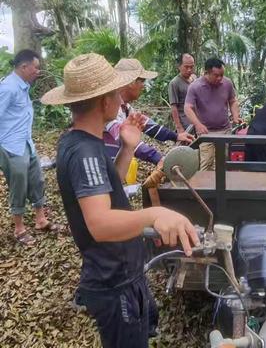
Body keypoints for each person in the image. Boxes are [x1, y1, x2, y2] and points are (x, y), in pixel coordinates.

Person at [41, 53, 199, 348]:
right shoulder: (84, 151)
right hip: (112, 280)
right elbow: (100, 223)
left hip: (124, 272)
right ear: (104, 101)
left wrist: (127, 148)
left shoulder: (85, 142)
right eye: (115, 92)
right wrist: (155, 215)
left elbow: (106, 191)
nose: (120, 97)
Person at [0, 49, 61, 246]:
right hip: (11, 146)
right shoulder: (8, 88)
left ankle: (40, 220)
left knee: (37, 180)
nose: (38, 71)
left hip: (26, 143)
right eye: (35, 67)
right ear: (24, 67)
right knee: (18, 185)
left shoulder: (23, 86)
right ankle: (19, 229)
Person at [103, 58, 194, 169]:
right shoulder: (110, 109)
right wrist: (158, 158)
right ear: (131, 82)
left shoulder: (125, 107)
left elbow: (149, 126)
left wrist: (176, 136)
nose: (143, 86)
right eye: (142, 81)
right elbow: (127, 141)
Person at [184, 58, 240, 171]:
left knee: (223, 162)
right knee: (206, 163)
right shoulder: (195, 87)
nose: (220, 78)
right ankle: (205, 188)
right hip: (206, 132)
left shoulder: (227, 83)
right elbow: (187, 108)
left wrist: (235, 116)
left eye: (222, 75)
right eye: (216, 75)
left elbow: (233, 101)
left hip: (224, 130)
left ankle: (222, 188)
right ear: (206, 73)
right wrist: (197, 124)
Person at [168, 53, 196, 132]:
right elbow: (174, 107)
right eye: (186, 67)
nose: (189, 70)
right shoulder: (174, 83)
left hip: (197, 121)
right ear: (179, 66)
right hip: (185, 124)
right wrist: (179, 127)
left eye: (191, 67)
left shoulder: (195, 80)